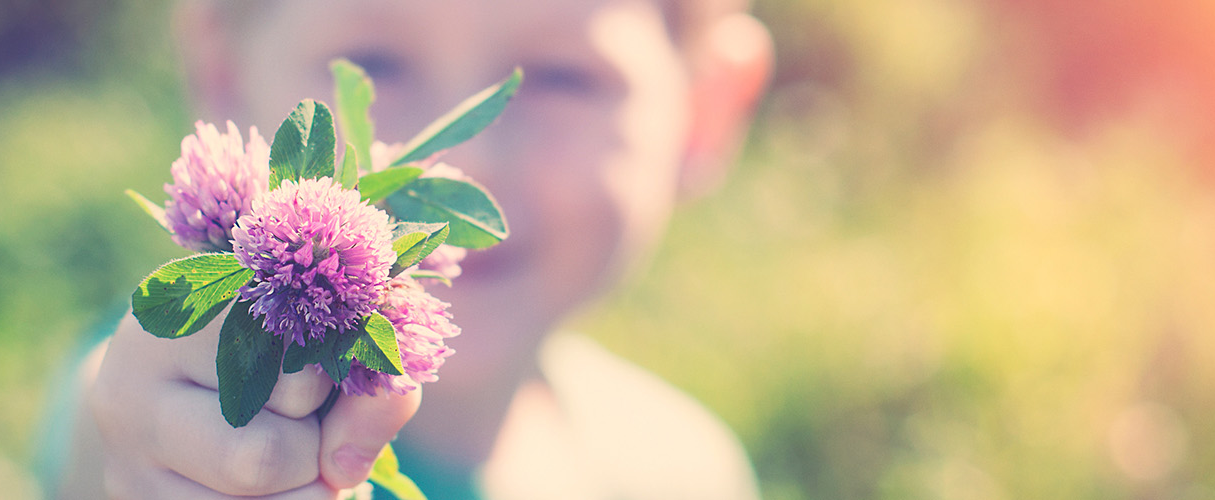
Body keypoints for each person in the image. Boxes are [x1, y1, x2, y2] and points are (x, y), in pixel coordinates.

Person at [57, 0, 774, 498]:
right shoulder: (152, 402)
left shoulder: (686, 466)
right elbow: (123, 429)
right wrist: (159, 463)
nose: (466, 164)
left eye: (561, 76)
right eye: (372, 62)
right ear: (223, 72)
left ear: (703, 110)